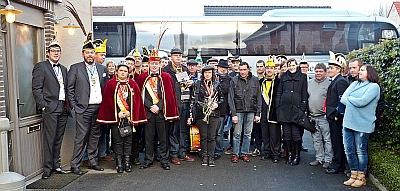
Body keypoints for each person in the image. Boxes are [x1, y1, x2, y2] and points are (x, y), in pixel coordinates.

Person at [68, 32, 108, 174]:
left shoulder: (102, 69)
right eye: (87, 52)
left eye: (92, 52)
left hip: (98, 108)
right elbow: (70, 88)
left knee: (94, 136)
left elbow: (106, 88)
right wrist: (74, 105)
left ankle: (92, 161)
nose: (90, 55)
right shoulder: (75, 68)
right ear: (83, 54)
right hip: (83, 108)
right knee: (81, 136)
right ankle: (75, 164)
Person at [96, 63, 147, 173]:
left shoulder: (132, 84)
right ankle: (119, 164)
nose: (123, 72)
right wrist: (117, 113)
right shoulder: (110, 84)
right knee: (118, 141)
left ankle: (127, 163)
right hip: (117, 118)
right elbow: (107, 102)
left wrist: (130, 112)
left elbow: (137, 102)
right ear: (117, 72)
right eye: (121, 71)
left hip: (129, 117)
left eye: (125, 71)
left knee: (128, 141)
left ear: (128, 73)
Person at [32, 38, 71, 179]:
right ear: (48, 53)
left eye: (58, 51)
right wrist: (43, 105)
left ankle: (56, 165)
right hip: (50, 107)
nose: (56, 53)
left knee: (58, 139)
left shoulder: (64, 69)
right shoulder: (41, 67)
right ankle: (47, 168)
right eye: (53, 51)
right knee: (50, 139)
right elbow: (36, 88)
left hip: (62, 108)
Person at [136, 49, 179, 170]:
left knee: (163, 138)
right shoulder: (142, 77)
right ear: (148, 64)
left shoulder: (166, 76)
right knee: (148, 138)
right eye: (152, 64)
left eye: (156, 64)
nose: (154, 66)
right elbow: (139, 95)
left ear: (160, 64)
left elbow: (169, 95)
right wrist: (150, 106)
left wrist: (159, 106)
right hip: (148, 112)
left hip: (161, 112)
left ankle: (164, 160)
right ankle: (148, 159)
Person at [340, 65, 380, 188]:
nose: (359, 72)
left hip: (363, 124)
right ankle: (353, 174)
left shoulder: (374, 87)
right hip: (348, 122)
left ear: (370, 73)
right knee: (349, 150)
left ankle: (361, 177)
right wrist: (353, 100)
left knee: (360, 151)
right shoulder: (354, 84)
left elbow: (363, 101)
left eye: (362, 70)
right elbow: (343, 99)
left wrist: (350, 99)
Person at [163, 48, 195, 164]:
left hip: (185, 102)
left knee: (183, 129)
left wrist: (191, 83)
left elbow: (189, 85)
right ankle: (174, 154)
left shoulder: (185, 69)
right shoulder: (166, 70)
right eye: (175, 55)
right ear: (171, 57)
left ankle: (182, 152)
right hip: (173, 104)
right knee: (173, 130)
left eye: (180, 55)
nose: (178, 57)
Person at [189, 65, 224, 166]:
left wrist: (217, 104)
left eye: (209, 72)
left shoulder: (217, 84)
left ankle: (211, 157)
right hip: (201, 112)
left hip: (214, 113)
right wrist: (191, 114)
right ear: (203, 74)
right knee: (203, 136)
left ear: (213, 73)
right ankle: (204, 156)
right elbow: (193, 100)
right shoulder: (198, 84)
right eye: (205, 73)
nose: (207, 74)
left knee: (212, 136)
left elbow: (222, 99)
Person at [276, 58, 308, 166]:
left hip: (296, 110)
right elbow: (279, 92)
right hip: (284, 109)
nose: (291, 67)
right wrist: (278, 105)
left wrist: (302, 109)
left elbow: (304, 94)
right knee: (287, 134)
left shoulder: (303, 77)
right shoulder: (284, 76)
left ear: (297, 65)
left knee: (295, 133)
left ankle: (297, 156)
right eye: (289, 65)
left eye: (293, 65)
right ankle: (289, 155)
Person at [228, 62, 262, 163]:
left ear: (248, 70)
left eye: (244, 70)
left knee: (248, 134)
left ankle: (244, 154)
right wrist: (233, 114)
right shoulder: (234, 80)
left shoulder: (255, 80)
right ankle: (235, 154)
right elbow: (230, 98)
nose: (242, 72)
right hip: (238, 111)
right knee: (237, 134)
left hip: (251, 111)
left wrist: (258, 113)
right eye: (241, 70)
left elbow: (258, 97)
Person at [325, 51, 349, 174]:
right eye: (329, 67)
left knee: (337, 141)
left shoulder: (340, 81)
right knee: (335, 141)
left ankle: (338, 165)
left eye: (332, 68)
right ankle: (338, 164)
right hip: (332, 116)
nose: (329, 70)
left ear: (339, 70)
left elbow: (341, 100)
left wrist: (337, 115)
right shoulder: (336, 80)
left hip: (336, 118)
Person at [308, 63, 333, 168]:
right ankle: (319, 158)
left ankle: (328, 160)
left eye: (320, 71)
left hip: (323, 117)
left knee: (327, 139)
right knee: (316, 139)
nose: (318, 73)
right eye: (316, 71)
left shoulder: (330, 84)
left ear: (325, 72)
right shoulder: (310, 83)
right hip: (312, 116)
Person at [259, 57, 281, 163]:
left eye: (271, 68)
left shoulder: (279, 82)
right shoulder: (260, 82)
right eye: (267, 68)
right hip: (263, 111)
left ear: (274, 69)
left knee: (275, 134)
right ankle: (267, 152)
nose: (269, 70)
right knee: (265, 134)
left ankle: (275, 154)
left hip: (274, 112)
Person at [214, 59, 231, 159]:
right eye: (221, 68)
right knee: (211, 132)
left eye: (225, 68)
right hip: (211, 109)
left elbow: (224, 89)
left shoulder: (230, 79)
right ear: (218, 68)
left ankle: (218, 150)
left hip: (222, 109)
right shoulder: (213, 77)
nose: (223, 70)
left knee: (219, 133)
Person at [251, 60, 266, 157]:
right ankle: (257, 147)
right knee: (256, 129)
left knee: (265, 129)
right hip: (255, 107)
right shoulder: (254, 80)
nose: (259, 68)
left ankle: (266, 148)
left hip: (265, 107)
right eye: (258, 66)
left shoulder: (267, 79)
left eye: (261, 66)